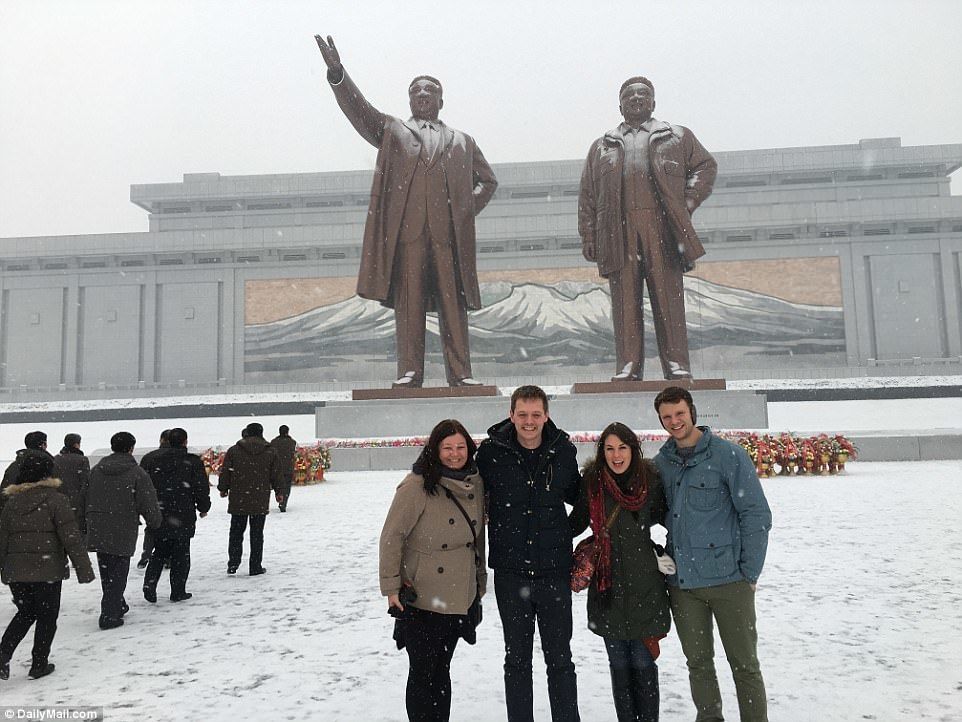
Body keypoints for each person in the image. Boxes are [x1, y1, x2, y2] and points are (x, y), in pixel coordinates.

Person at [314, 34, 498, 388]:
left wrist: (462, 213)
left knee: (452, 306)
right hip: (409, 236)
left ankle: (461, 374)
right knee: (409, 305)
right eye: (416, 91)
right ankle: (410, 371)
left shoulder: (462, 141)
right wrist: (338, 73)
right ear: (410, 99)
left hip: (448, 240)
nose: (423, 95)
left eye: (430, 91)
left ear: (441, 101)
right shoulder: (394, 131)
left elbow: (487, 182)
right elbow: (360, 111)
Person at [579, 76, 717, 381]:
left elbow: (706, 167)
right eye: (630, 95)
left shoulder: (676, 137)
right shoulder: (603, 147)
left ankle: (677, 365)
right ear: (620, 105)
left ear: (653, 102)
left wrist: (687, 203)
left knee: (668, 298)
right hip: (618, 231)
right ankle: (629, 365)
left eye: (644, 95)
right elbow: (588, 195)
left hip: (662, 228)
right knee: (625, 302)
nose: (637, 99)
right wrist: (589, 236)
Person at [652, 387, 773, 722]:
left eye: (679, 413)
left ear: (693, 411)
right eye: (667, 417)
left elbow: (756, 515)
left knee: (745, 665)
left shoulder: (728, 456)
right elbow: (643, 513)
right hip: (683, 585)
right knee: (699, 665)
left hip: (729, 582)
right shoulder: (661, 464)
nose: (674, 422)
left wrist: (749, 572)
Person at [476, 385, 582, 722]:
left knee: (560, 658)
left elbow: (580, 500)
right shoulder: (492, 453)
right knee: (517, 659)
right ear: (511, 414)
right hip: (511, 572)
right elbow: (467, 490)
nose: (529, 421)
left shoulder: (562, 451)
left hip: (553, 571)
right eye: (522, 414)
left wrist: (565, 533)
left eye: (536, 414)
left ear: (546, 415)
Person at [379, 419, 486, 722]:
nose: (455, 454)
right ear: (434, 450)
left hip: (457, 594)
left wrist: (479, 583)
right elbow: (392, 536)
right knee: (423, 673)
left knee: (442, 669)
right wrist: (390, 588)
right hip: (421, 596)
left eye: (460, 447)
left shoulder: (475, 482)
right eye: (447, 447)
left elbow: (478, 539)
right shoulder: (417, 485)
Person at [569, 422, 672, 722]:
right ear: (602, 452)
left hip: (645, 586)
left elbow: (672, 520)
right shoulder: (592, 483)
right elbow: (574, 523)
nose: (616, 455)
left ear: (633, 450)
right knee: (619, 665)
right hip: (606, 588)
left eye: (622, 448)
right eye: (609, 449)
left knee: (643, 663)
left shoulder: (649, 482)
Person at [0, 451, 95, 681]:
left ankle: (2, 656)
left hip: (16, 572)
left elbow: (2, 538)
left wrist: (4, 568)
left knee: (25, 612)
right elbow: (70, 537)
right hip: (48, 571)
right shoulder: (56, 500)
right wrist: (84, 569)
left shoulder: (11, 504)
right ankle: (39, 664)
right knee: (47, 617)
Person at [81, 431, 162, 630]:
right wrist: (155, 521)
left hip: (99, 524)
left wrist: (86, 520)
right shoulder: (136, 473)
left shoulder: (97, 470)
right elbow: (147, 501)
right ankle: (109, 614)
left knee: (107, 569)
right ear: (131, 448)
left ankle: (117, 603)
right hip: (123, 526)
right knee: (119, 571)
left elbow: (85, 496)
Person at [140, 428, 211, 603]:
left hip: (158, 511)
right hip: (183, 511)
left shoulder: (151, 458)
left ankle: (150, 583)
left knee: (159, 550)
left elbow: (141, 485)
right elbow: (201, 487)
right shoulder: (192, 461)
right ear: (185, 441)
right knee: (181, 552)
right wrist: (203, 506)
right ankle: (178, 590)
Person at [217, 422, 282, 576]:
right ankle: (255, 566)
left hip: (238, 497)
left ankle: (233, 563)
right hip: (260, 497)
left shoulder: (234, 451)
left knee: (236, 532)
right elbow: (276, 474)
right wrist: (279, 492)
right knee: (257, 534)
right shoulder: (270, 451)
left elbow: (226, 471)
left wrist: (223, 488)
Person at [137, 429, 171, 569]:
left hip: (153, 498)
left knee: (152, 527)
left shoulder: (149, 457)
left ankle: (146, 554)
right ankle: (168, 557)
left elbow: (139, 479)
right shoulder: (181, 457)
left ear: (161, 440)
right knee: (170, 528)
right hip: (174, 499)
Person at [0, 431, 61, 510]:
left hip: (16, 514)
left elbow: (3, 493)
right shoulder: (50, 465)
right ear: (43, 445)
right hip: (46, 514)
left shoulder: (14, 466)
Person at [53, 433, 90, 530]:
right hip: (77, 503)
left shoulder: (56, 459)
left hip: (59, 502)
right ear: (76, 444)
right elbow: (85, 483)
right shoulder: (82, 460)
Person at [269, 425, 297, 512]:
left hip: (276, 468)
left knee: (277, 486)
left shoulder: (273, 442)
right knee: (287, 486)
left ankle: (279, 497)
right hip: (288, 468)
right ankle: (283, 502)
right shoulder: (292, 442)